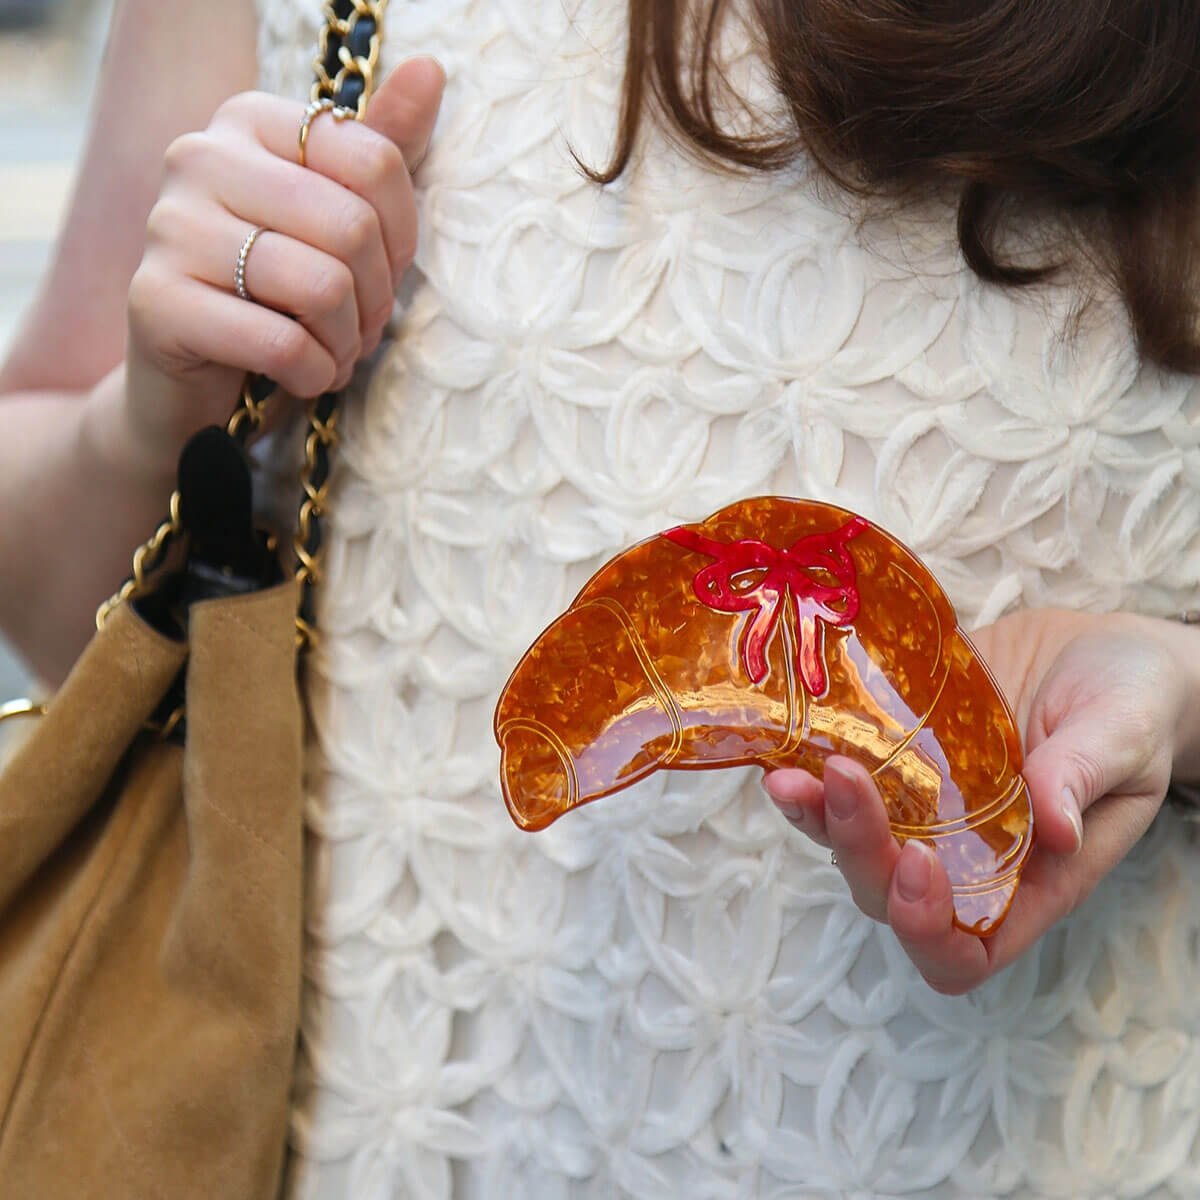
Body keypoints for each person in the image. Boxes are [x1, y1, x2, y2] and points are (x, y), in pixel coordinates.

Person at [3, 0, 1200, 1193]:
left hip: (1053, 1135)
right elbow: (66, 631)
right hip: (399, 1115)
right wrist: (156, 412)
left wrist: (1177, 702)